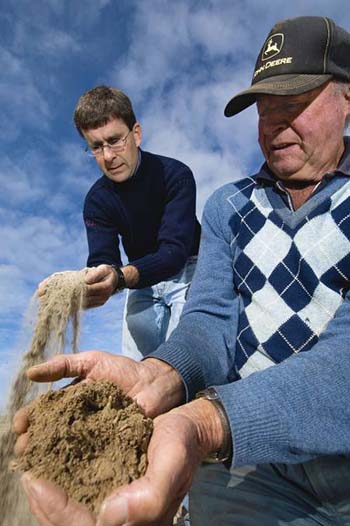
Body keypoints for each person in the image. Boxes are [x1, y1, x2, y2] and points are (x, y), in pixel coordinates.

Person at [15, 15, 350, 526]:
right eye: (264, 110)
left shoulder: (175, 175)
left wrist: (208, 420)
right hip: (250, 467)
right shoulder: (230, 206)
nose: (276, 124)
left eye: (295, 104)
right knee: (152, 363)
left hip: (285, 439)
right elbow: (210, 319)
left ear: (346, 98)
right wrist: (158, 372)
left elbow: (174, 254)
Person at [73, 86, 201, 359]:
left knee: (186, 357)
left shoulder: (175, 175)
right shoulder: (97, 202)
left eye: (115, 140)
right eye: (97, 146)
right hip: (140, 280)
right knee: (136, 363)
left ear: (136, 134)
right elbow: (103, 260)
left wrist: (119, 277)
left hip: (188, 266)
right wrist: (85, 285)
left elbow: (174, 252)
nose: (108, 156)